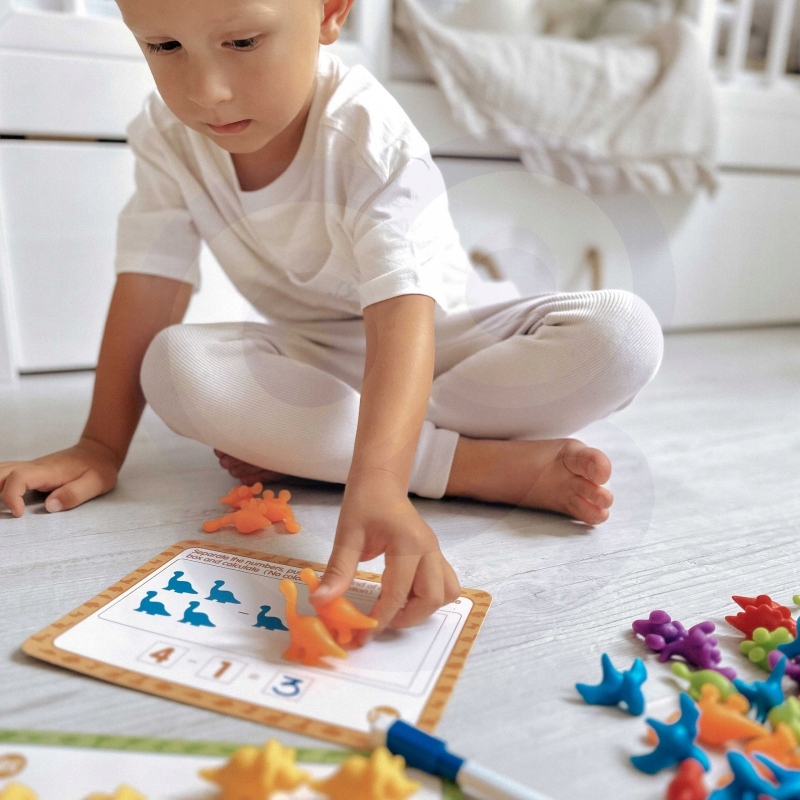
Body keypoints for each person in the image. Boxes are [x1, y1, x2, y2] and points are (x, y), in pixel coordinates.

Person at [0, 0, 663, 636]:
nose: (208, 92)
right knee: (173, 366)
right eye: (164, 45)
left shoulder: (368, 134)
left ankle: (346, 453)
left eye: (242, 42)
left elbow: (403, 315)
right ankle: (474, 466)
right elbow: (152, 282)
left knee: (623, 336)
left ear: (329, 11)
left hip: (440, 343)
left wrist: (377, 482)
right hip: (316, 361)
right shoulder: (168, 135)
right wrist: (100, 446)